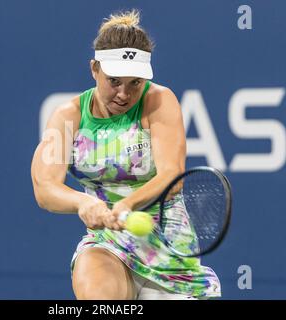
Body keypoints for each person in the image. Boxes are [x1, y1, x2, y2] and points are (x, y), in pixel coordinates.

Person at [31, 9, 221, 300]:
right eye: (114, 81)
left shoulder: (158, 100)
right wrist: (83, 203)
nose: (124, 93)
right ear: (94, 69)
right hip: (106, 242)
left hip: (170, 248)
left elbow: (173, 176)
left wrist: (127, 205)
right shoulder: (67, 116)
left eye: (135, 83)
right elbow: (45, 188)